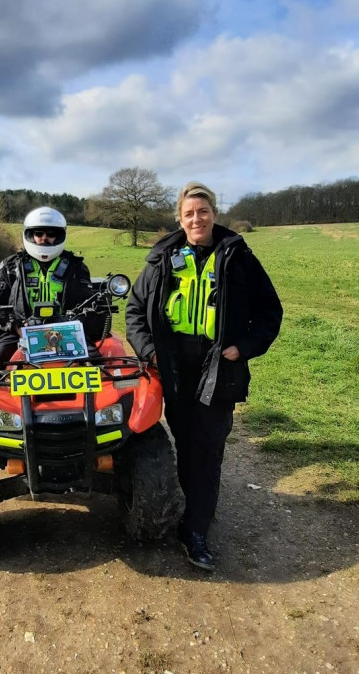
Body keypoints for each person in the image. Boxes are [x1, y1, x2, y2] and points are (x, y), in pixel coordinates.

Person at [126, 181, 282, 571]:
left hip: (219, 363)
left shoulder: (238, 256)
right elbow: (135, 311)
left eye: (203, 211)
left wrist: (242, 348)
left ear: (214, 214)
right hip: (175, 363)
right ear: (180, 219)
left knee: (208, 445)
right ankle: (197, 504)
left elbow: (269, 312)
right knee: (186, 439)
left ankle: (195, 529)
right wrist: (150, 352)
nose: (197, 218)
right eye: (189, 213)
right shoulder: (162, 257)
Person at [0, 206, 103, 364]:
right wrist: (16, 327)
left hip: (68, 331)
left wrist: (75, 321)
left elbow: (88, 304)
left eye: (50, 234)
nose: (44, 238)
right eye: (39, 233)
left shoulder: (77, 267)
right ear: (30, 235)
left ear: (59, 236)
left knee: (97, 363)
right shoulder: (10, 266)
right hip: (20, 330)